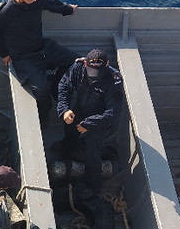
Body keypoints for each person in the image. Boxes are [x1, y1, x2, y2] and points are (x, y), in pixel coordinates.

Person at [0, 0, 78, 120]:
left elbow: (52, 3)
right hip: (24, 57)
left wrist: (67, 9)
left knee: (75, 62)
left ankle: (57, 87)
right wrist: (3, 54)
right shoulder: (5, 12)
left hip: (43, 47)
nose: (34, 0)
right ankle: (44, 117)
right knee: (42, 92)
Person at [48, 49, 124, 202]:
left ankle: (94, 186)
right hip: (81, 108)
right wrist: (64, 110)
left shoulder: (114, 80)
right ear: (85, 63)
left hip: (101, 118)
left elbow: (112, 112)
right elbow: (64, 86)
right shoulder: (77, 68)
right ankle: (68, 148)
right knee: (69, 128)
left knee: (92, 152)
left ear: (107, 65)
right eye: (90, 70)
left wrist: (89, 124)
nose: (93, 75)